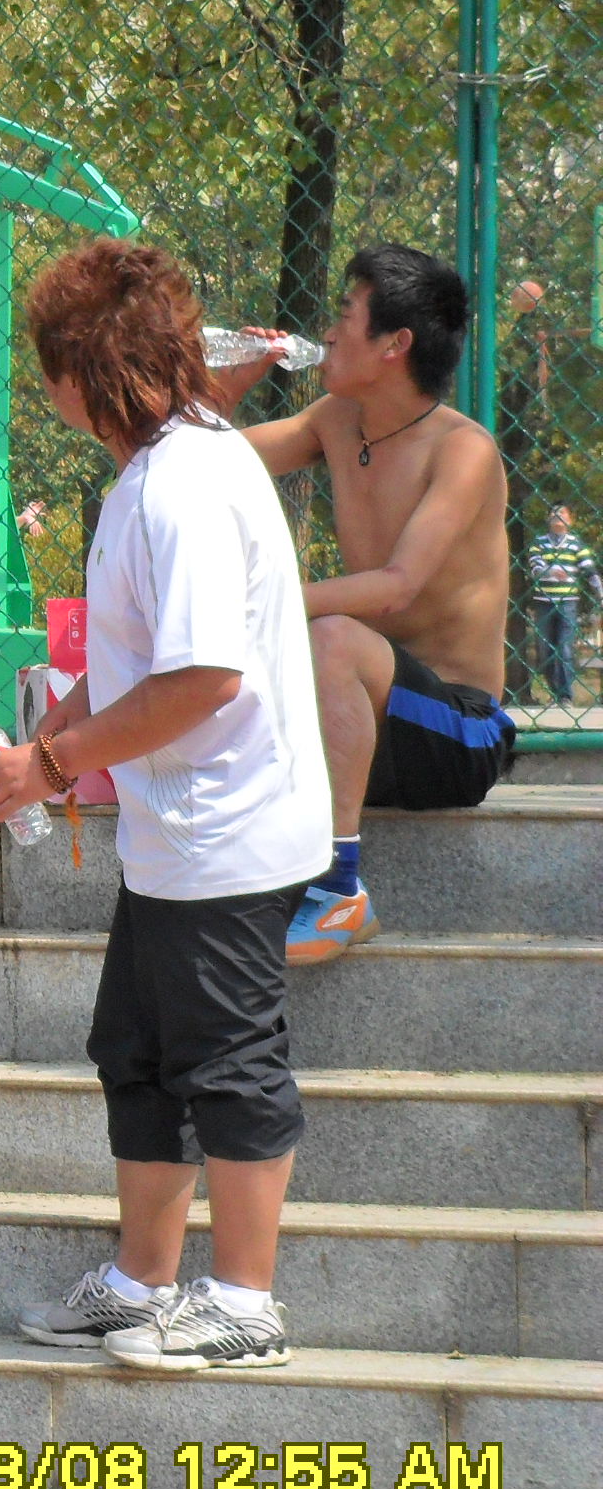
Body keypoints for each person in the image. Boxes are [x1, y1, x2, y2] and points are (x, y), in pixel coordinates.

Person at [0, 238, 329, 1372]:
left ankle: (245, 1304)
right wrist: (46, 743)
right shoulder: (166, 469)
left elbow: (200, 680)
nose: (46, 388)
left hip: (226, 831)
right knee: (134, 1051)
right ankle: (141, 1284)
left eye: (49, 365)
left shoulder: (183, 486)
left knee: (229, 1064)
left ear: (79, 376)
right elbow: (139, 658)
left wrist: (52, 765)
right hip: (174, 836)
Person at [220, 245, 512, 964]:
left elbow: (397, 585)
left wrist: (268, 601)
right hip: (363, 728)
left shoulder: (463, 450)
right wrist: (221, 395)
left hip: (458, 732)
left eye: (346, 314)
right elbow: (203, 467)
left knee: (330, 636)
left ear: (393, 344)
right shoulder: (336, 418)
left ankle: (339, 890)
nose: (326, 332)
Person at [527, 503, 601, 706]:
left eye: (562, 513)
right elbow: (535, 567)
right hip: (544, 602)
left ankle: (565, 695)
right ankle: (554, 690)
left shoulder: (576, 545)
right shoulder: (539, 543)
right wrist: (550, 571)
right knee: (545, 649)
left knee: (564, 648)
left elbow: (589, 570)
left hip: (568, 603)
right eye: (554, 512)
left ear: (570, 520)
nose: (557, 515)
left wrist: (599, 590)